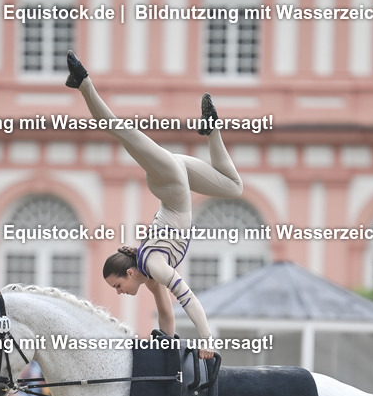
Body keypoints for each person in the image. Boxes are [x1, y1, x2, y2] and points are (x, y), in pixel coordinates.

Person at [67, 50, 243, 358]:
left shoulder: (154, 266)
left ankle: (82, 82)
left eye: (117, 286)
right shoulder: (150, 274)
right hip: (177, 180)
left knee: (119, 130)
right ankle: (212, 130)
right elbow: (167, 314)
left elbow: (188, 299)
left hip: (170, 180)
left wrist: (207, 340)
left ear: (131, 273)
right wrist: (166, 350)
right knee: (233, 187)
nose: (119, 293)